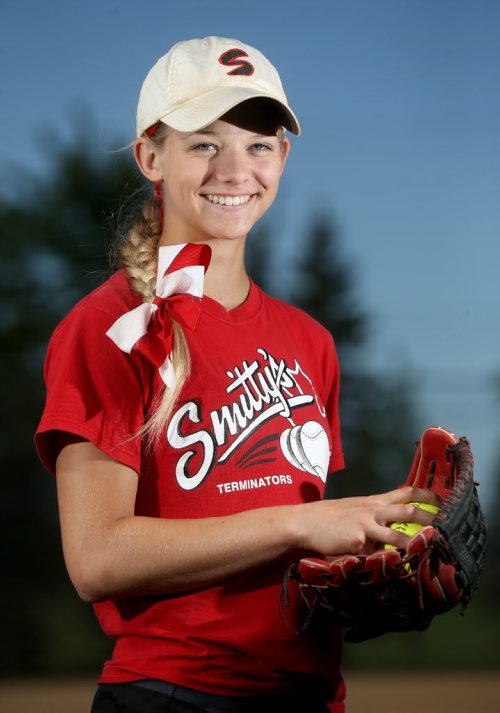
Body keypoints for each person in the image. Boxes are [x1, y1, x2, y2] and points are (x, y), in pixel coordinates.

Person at [35, 36, 439, 713]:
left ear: (283, 158)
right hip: (174, 693)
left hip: (308, 695)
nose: (235, 168)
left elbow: (294, 556)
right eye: (204, 143)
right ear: (149, 156)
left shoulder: (308, 341)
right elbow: (97, 557)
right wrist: (299, 525)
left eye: (259, 143)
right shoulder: (113, 327)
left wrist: (371, 563)